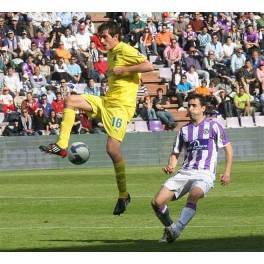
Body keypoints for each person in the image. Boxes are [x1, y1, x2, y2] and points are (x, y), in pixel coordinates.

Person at [39, 21, 154, 215]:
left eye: (105, 37)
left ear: (116, 37)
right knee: (70, 100)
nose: (101, 40)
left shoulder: (125, 49)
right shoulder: (111, 53)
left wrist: (124, 70)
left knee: (112, 149)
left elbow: (148, 65)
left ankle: (123, 195)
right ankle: (62, 145)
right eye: (100, 37)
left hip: (120, 108)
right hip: (107, 101)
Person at [151, 93, 233, 243]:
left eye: (194, 105)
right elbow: (175, 152)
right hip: (185, 172)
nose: (191, 108)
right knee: (157, 202)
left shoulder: (214, 126)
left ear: (203, 108)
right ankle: (171, 229)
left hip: (204, 173)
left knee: (194, 194)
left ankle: (178, 228)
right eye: (189, 105)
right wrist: (171, 165)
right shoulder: (183, 130)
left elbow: (228, 149)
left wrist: (227, 172)